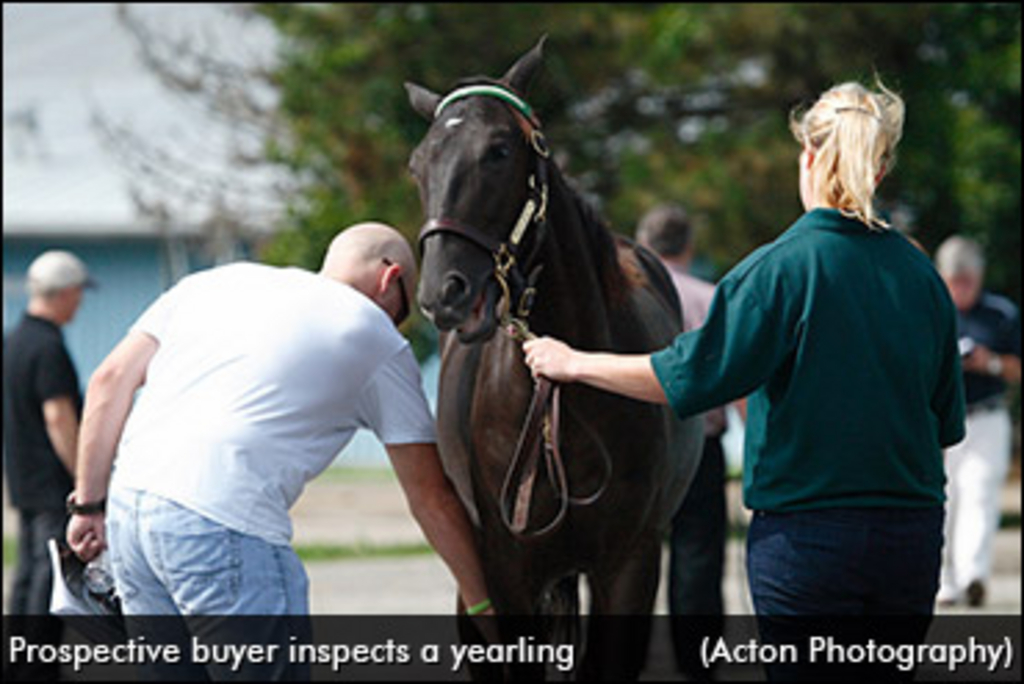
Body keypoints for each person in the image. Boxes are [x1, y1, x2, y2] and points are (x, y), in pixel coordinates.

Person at [523, 81, 965, 681]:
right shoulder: (922, 277)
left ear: (807, 156)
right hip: (911, 535)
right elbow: (945, 421)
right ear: (881, 169)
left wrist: (572, 361)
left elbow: (686, 377)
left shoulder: (775, 271)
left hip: (808, 540)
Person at [67, 223, 492, 678]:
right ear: (389, 279)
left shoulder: (212, 283)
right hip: (221, 522)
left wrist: (88, 505)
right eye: (401, 311)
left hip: (130, 515)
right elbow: (430, 497)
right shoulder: (374, 335)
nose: (396, 324)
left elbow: (109, 380)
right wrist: (484, 604)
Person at [636, 203, 732, 680]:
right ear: (688, 247)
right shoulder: (711, 299)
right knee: (698, 563)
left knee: (626, 563)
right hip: (699, 447)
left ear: (642, 246)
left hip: (633, 451)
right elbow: (737, 383)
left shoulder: (628, 297)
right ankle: (697, 669)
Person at [3, 250, 94, 680]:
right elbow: (58, 416)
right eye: (79, 294)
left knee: (27, 576)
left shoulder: (15, 340)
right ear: (65, 292)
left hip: (23, 476)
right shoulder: (48, 346)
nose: (79, 304)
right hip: (51, 481)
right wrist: (84, 478)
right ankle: (35, 667)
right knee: (50, 575)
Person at [934, 235, 1021, 608]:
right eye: (954, 280)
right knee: (944, 498)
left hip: (987, 415)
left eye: (966, 280)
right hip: (942, 420)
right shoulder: (932, 309)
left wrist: (992, 363)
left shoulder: (1001, 313)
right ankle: (944, 581)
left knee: (979, 494)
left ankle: (973, 575)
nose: (961, 288)